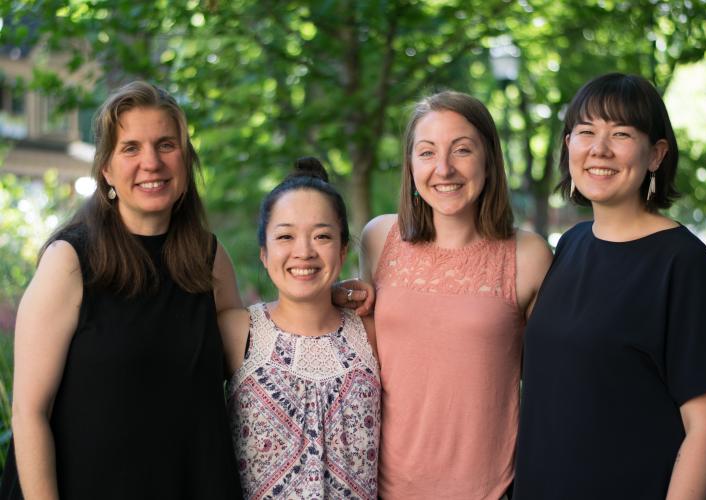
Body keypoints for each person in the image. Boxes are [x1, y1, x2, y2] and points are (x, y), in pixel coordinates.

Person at [5, 82, 241, 499]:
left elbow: (257, 347)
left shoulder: (209, 259)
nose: (151, 162)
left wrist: (333, 299)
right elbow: (28, 414)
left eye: (166, 145)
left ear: (184, 161)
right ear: (107, 170)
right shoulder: (70, 261)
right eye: (130, 148)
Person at [513, 73, 706, 499]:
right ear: (569, 144)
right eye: (585, 132)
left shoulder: (685, 264)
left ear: (657, 155)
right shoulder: (570, 245)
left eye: (621, 133)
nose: (598, 149)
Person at [359, 91, 553, 499]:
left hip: (489, 489)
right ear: (411, 165)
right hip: (381, 487)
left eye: (462, 150)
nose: (443, 168)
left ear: (488, 159)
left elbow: (550, 389)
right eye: (427, 153)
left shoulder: (530, 256)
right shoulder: (379, 239)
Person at [219, 157, 381, 499]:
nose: (304, 251)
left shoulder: (371, 333)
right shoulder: (238, 332)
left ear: (343, 250)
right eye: (285, 236)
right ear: (264, 252)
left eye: (322, 236)